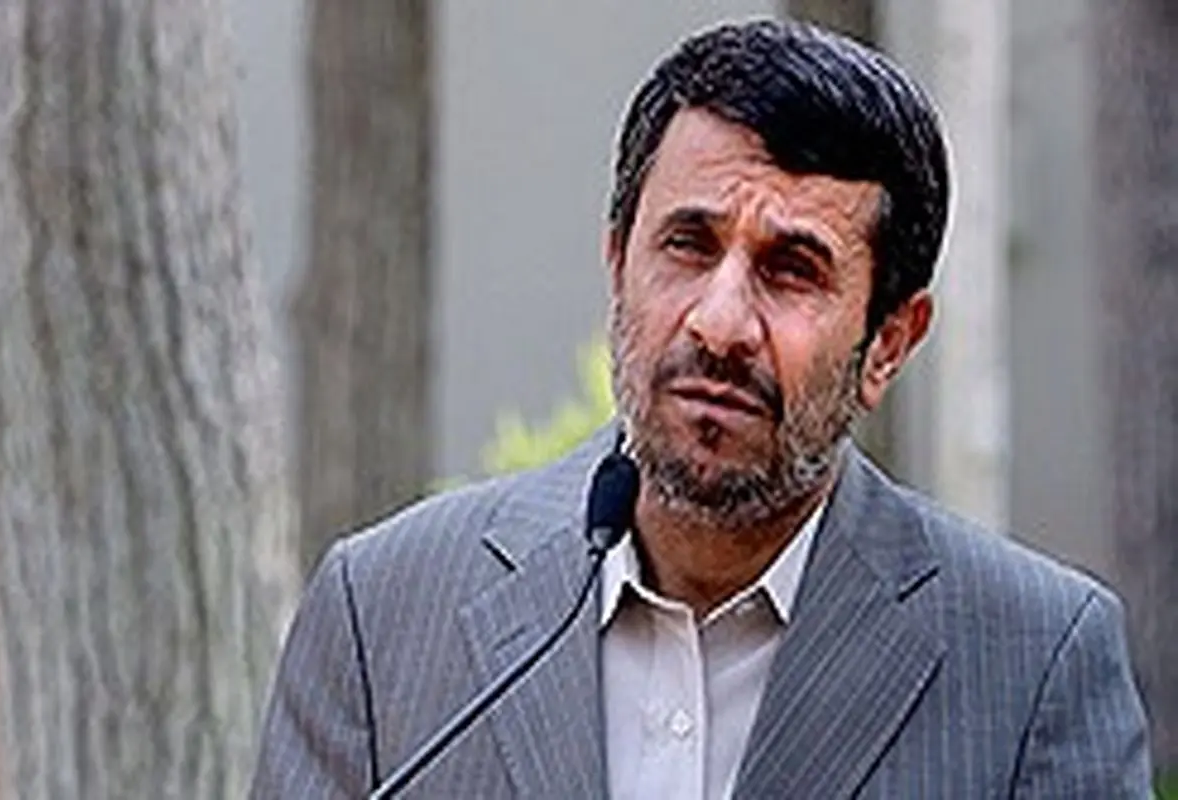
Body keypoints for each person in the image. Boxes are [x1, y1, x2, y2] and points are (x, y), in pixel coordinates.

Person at [250, 19, 1152, 799]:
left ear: (888, 343)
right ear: (618, 266)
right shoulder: (385, 613)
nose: (719, 324)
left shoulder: (1034, 665)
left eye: (792, 270)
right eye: (688, 244)